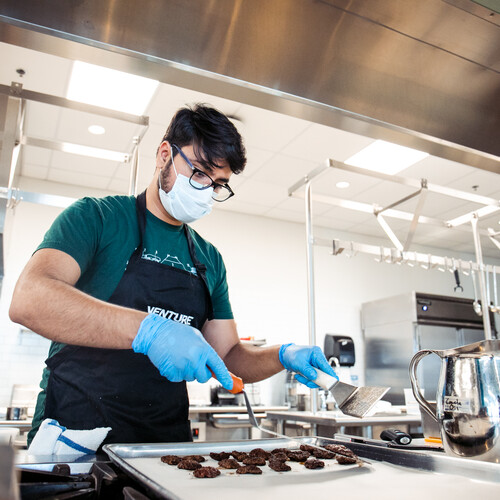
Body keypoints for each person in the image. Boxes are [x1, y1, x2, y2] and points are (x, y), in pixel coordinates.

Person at [9, 104, 337, 446]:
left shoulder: (209, 259)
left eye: (218, 185)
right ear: (165, 154)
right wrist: (148, 331)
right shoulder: (98, 218)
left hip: (163, 448)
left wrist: (282, 355)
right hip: (74, 440)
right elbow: (29, 299)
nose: (206, 191)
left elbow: (227, 358)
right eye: (199, 173)